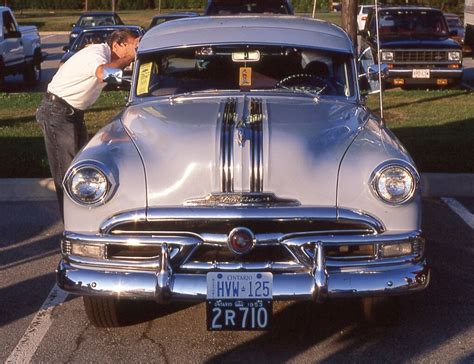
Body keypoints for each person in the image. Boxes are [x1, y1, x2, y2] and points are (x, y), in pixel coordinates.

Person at [36, 29, 139, 218]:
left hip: (71, 113)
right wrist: (128, 60)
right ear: (118, 44)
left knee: (82, 169)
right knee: (68, 173)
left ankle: (84, 217)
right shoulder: (96, 54)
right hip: (57, 111)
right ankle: (72, 224)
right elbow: (103, 74)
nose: (136, 51)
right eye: (135, 46)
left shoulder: (106, 58)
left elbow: (117, 78)